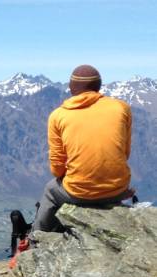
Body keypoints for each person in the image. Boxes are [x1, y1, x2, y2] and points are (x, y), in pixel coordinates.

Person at [32, 64, 133, 232]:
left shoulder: (58, 115)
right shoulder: (121, 108)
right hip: (117, 190)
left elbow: (57, 169)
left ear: (71, 88)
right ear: (98, 86)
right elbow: (124, 153)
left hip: (78, 193)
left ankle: (36, 239)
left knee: (50, 190)